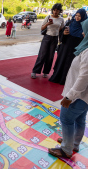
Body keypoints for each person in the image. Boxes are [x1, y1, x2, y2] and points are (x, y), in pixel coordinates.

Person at [48, 19, 88, 159]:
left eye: (85, 29)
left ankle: (66, 149)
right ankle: (73, 143)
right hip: (84, 97)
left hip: (79, 96)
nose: (82, 32)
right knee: (79, 120)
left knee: (66, 118)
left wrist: (69, 96)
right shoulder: (85, 48)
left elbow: (84, 77)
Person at [49, 9, 87, 85]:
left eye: (79, 16)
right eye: (76, 15)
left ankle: (68, 81)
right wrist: (64, 33)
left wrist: (84, 36)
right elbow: (61, 34)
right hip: (65, 47)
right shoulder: (70, 23)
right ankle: (58, 78)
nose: (77, 17)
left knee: (72, 64)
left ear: (83, 17)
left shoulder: (85, 26)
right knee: (62, 62)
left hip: (76, 49)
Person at [31, 3, 64, 79]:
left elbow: (61, 28)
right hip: (47, 37)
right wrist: (48, 24)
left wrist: (57, 34)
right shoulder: (48, 17)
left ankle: (46, 72)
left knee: (50, 56)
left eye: (57, 10)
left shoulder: (61, 19)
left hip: (55, 39)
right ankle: (35, 71)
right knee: (42, 54)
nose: (55, 12)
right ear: (52, 10)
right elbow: (42, 28)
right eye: (54, 10)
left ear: (60, 11)